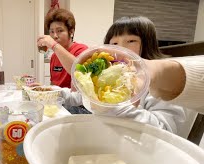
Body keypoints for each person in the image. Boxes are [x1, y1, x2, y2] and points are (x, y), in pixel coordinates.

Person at [62, 16, 197, 137]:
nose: (120, 48)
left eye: (131, 41)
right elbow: (83, 97)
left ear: (148, 44)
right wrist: (54, 92)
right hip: (108, 135)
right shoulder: (111, 75)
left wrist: (112, 107)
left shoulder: (163, 81)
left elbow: (165, 131)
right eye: (114, 44)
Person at [37, 8, 88, 88]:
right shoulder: (54, 56)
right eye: (52, 31)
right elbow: (54, 85)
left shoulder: (81, 50)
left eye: (60, 31)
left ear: (71, 32)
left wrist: (54, 45)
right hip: (58, 100)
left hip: (74, 100)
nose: (55, 36)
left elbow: (79, 71)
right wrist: (43, 88)